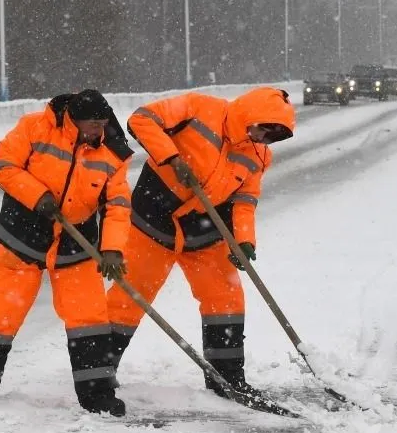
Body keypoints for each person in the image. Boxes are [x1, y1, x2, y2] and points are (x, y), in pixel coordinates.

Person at [107, 86, 295, 407]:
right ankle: (97, 370)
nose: (264, 141)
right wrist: (171, 157)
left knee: (226, 296)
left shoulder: (259, 156)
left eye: (272, 138)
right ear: (251, 116)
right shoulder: (199, 107)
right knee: (131, 294)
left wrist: (244, 240)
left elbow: (245, 200)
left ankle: (228, 378)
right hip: (154, 218)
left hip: (205, 230)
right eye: (264, 130)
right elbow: (141, 120)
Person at [0, 89, 133, 417]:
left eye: (102, 123)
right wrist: (37, 195)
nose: (97, 130)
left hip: (75, 241)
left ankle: (98, 396)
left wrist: (111, 249)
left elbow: (118, 205)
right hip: (23, 233)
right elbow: (3, 166)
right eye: (91, 124)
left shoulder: (113, 152)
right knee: (1, 313)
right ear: (73, 119)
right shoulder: (35, 127)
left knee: (89, 317)